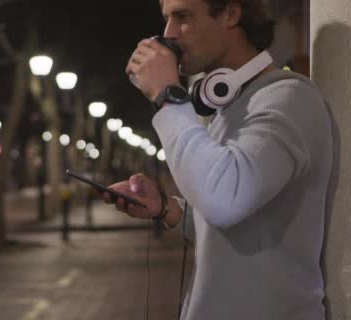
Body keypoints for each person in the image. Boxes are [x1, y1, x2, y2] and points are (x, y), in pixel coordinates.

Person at [103, 0, 334, 319]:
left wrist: (168, 96)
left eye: (182, 17)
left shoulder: (288, 99)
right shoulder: (222, 108)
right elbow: (236, 231)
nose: (168, 33)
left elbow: (224, 200)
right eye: (166, 19)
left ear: (230, 13)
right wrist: (166, 208)